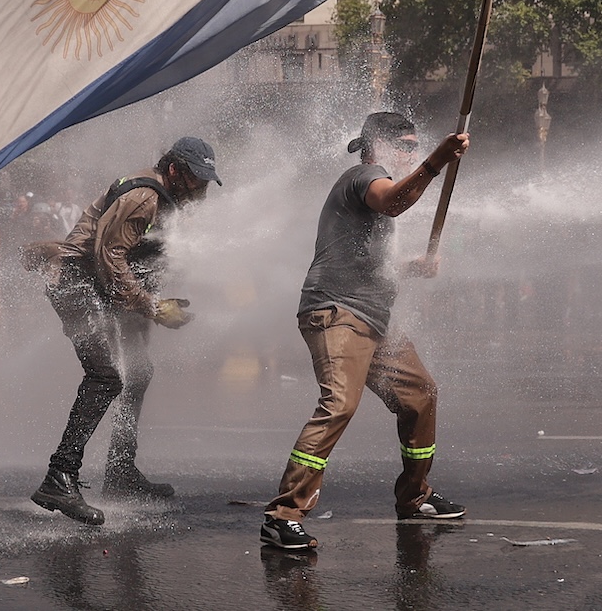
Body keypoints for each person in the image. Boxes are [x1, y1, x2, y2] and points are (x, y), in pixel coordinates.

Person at [261, 112, 470, 553]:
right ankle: (283, 516)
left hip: (372, 320)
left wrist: (411, 268)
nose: (411, 153)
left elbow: (369, 266)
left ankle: (415, 497)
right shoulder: (364, 176)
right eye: (407, 145)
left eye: (416, 146)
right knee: (339, 403)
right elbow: (394, 200)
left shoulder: (371, 189)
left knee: (420, 395)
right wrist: (435, 161)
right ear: (379, 143)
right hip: (336, 314)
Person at [31, 136, 220, 526]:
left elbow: (134, 259)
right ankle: (59, 476)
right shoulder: (143, 198)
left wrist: (159, 301)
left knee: (139, 372)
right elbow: (108, 259)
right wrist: (151, 307)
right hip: (75, 283)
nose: (200, 190)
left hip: (103, 288)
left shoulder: (165, 200)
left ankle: (120, 471)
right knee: (105, 377)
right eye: (195, 180)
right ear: (174, 171)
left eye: (205, 181)